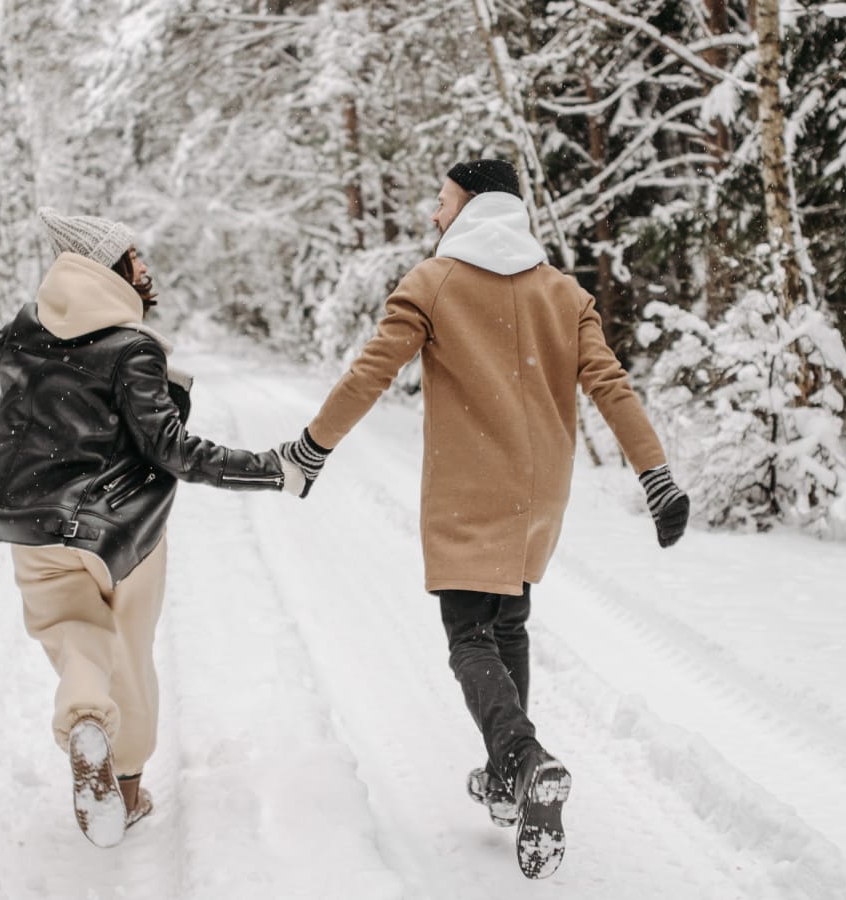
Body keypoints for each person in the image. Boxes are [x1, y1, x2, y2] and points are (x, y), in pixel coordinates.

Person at [276, 159, 690, 879]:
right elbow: (610, 386)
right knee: (509, 624)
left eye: (441, 202)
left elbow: (371, 372)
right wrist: (654, 475)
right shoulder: (563, 292)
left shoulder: (433, 283)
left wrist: (311, 449)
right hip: (540, 496)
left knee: (469, 634)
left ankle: (525, 762)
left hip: (470, 491)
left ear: (470, 206)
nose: (434, 216)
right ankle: (506, 778)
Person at [0, 208, 305, 849]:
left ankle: (86, 722)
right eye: (135, 258)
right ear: (110, 269)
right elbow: (171, 450)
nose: (146, 268)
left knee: (74, 635)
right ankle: (128, 791)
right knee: (129, 657)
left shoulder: (26, 331)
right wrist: (269, 470)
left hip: (29, 522)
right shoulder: (131, 349)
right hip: (119, 535)